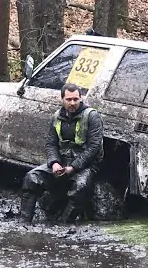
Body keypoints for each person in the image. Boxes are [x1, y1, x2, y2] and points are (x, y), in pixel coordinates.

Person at [20, 83, 104, 224]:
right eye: (69, 99)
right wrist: (54, 163)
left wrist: (74, 168)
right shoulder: (56, 117)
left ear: (80, 99)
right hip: (62, 161)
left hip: (86, 165)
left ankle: (63, 226)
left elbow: (94, 148)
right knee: (31, 178)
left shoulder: (92, 116)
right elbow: (51, 144)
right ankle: (23, 223)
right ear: (62, 99)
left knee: (80, 188)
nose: (72, 103)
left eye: (75, 99)